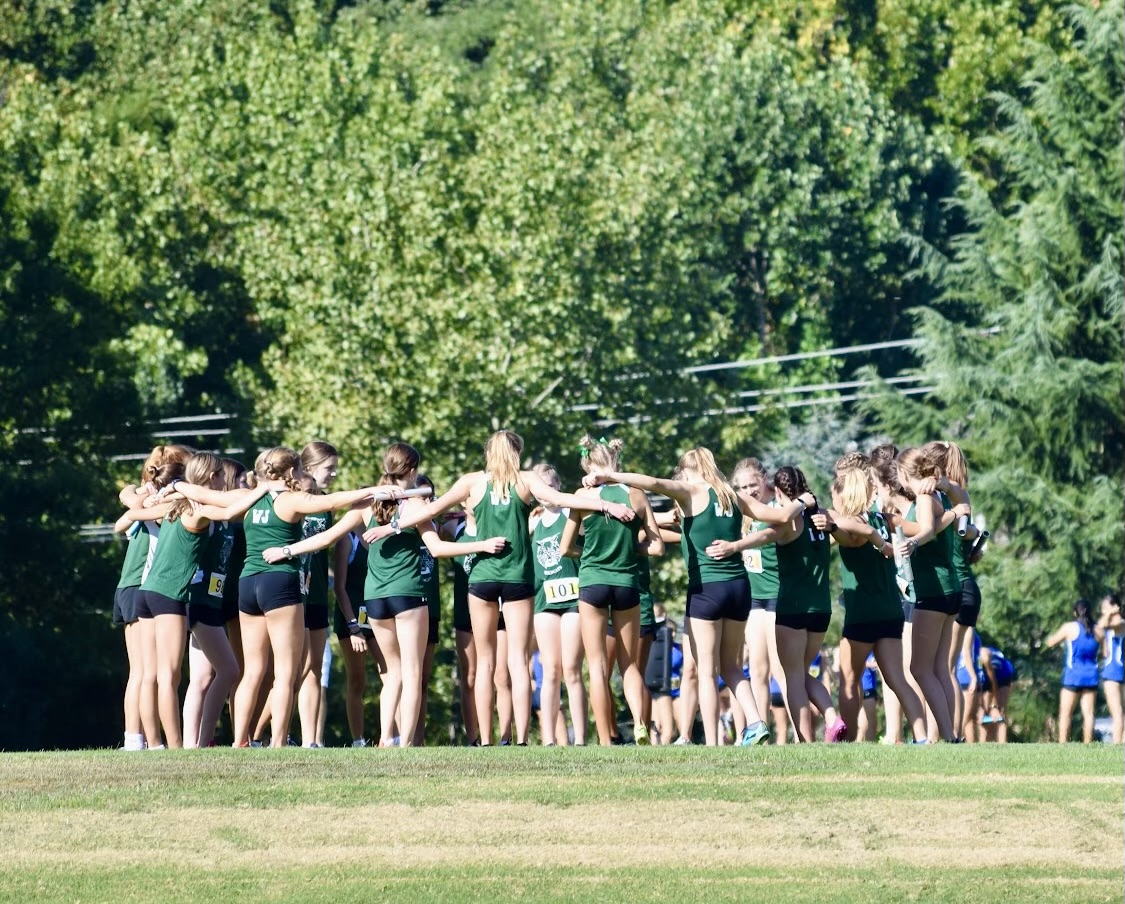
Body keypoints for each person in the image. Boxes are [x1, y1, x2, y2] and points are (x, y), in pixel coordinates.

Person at [362, 430, 636, 746]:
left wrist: (390, 526)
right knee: (519, 661)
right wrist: (606, 504)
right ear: (515, 452)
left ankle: (485, 740)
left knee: (485, 662)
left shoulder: (472, 482)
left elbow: (430, 510)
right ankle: (517, 738)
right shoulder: (527, 480)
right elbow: (561, 499)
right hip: (518, 576)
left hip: (482, 578)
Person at [264, 442, 505, 747]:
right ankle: (405, 744)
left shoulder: (367, 504)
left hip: (375, 599)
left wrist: (287, 549)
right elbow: (438, 548)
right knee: (412, 673)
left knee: (392, 674)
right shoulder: (415, 505)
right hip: (408, 596)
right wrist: (481, 545)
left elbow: (328, 536)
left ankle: (383, 739)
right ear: (413, 470)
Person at [592, 447, 777, 747]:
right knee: (731, 666)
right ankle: (756, 723)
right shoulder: (733, 495)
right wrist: (799, 506)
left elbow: (651, 482)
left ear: (687, 469)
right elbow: (778, 519)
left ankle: (714, 743)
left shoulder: (692, 490)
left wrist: (610, 475)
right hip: (740, 588)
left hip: (708, 590)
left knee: (706, 670)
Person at [127, 453, 272, 748]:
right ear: (211, 477)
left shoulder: (174, 504)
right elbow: (230, 512)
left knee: (158, 674)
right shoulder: (196, 508)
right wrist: (263, 490)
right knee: (170, 676)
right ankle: (176, 747)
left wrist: (150, 496)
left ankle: (158, 744)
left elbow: (132, 513)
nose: (223, 480)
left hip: (149, 591)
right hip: (170, 594)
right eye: (219, 475)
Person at [714, 465, 843, 743]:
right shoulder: (823, 518)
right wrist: (833, 525)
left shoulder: (789, 522)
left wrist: (734, 547)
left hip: (791, 607)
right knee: (800, 672)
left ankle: (805, 741)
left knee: (792, 675)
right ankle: (832, 718)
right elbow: (849, 528)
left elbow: (765, 536)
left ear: (779, 490)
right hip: (821, 609)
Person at [563, 436, 663, 746]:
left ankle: (606, 741)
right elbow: (657, 546)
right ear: (615, 463)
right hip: (626, 583)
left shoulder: (583, 496)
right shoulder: (636, 495)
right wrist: (631, 549)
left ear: (588, 465)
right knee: (629, 663)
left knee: (597, 666)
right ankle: (639, 724)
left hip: (592, 582)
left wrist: (591, 555)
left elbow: (566, 547)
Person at [829, 466, 927, 744]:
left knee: (849, 681)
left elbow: (850, 531)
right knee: (897, 679)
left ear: (844, 495)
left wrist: (838, 526)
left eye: (834, 496)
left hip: (863, 613)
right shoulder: (881, 519)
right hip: (890, 610)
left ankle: (844, 743)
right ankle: (921, 738)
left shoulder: (855, 524)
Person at [112, 445, 194, 749]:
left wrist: (135, 497)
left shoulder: (144, 497)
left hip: (129, 585)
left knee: (141, 671)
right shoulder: (168, 504)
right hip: (144, 584)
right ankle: (140, 739)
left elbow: (123, 515)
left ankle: (136, 738)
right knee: (149, 672)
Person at [890, 448, 970, 742]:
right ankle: (951, 736)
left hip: (934, 590)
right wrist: (952, 512)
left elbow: (926, 530)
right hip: (949, 588)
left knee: (919, 668)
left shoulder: (924, 497)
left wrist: (912, 542)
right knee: (938, 667)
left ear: (901, 473)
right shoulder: (940, 495)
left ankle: (947, 736)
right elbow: (945, 517)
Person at [530, 463, 587, 747]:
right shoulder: (533, 522)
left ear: (559, 487)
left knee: (572, 669)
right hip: (545, 602)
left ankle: (580, 739)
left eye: (550, 487)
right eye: (539, 489)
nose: (545, 494)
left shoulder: (572, 514)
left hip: (574, 599)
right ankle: (549, 739)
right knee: (549, 670)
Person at [296, 441, 340, 747]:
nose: (334, 473)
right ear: (309, 468)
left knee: (314, 667)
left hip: (316, 597)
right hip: (287, 595)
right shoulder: (288, 499)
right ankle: (263, 738)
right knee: (283, 671)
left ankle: (311, 741)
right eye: (329, 468)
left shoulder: (326, 504)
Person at [1046, 599, 1102, 743]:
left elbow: (1050, 642)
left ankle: (1063, 743)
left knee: (1065, 713)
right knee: (1089, 714)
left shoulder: (1069, 627)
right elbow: (1106, 652)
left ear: (1074, 612)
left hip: (1072, 676)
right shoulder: (1098, 630)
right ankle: (1088, 744)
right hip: (1091, 676)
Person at [1097, 593, 1123, 744]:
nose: (1103, 611)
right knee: (1120, 713)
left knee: (1117, 713)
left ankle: (1117, 744)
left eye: (1105, 607)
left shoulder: (1120, 623)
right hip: (1113, 670)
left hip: (1114, 672)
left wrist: (1111, 613)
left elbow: (1102, 625)